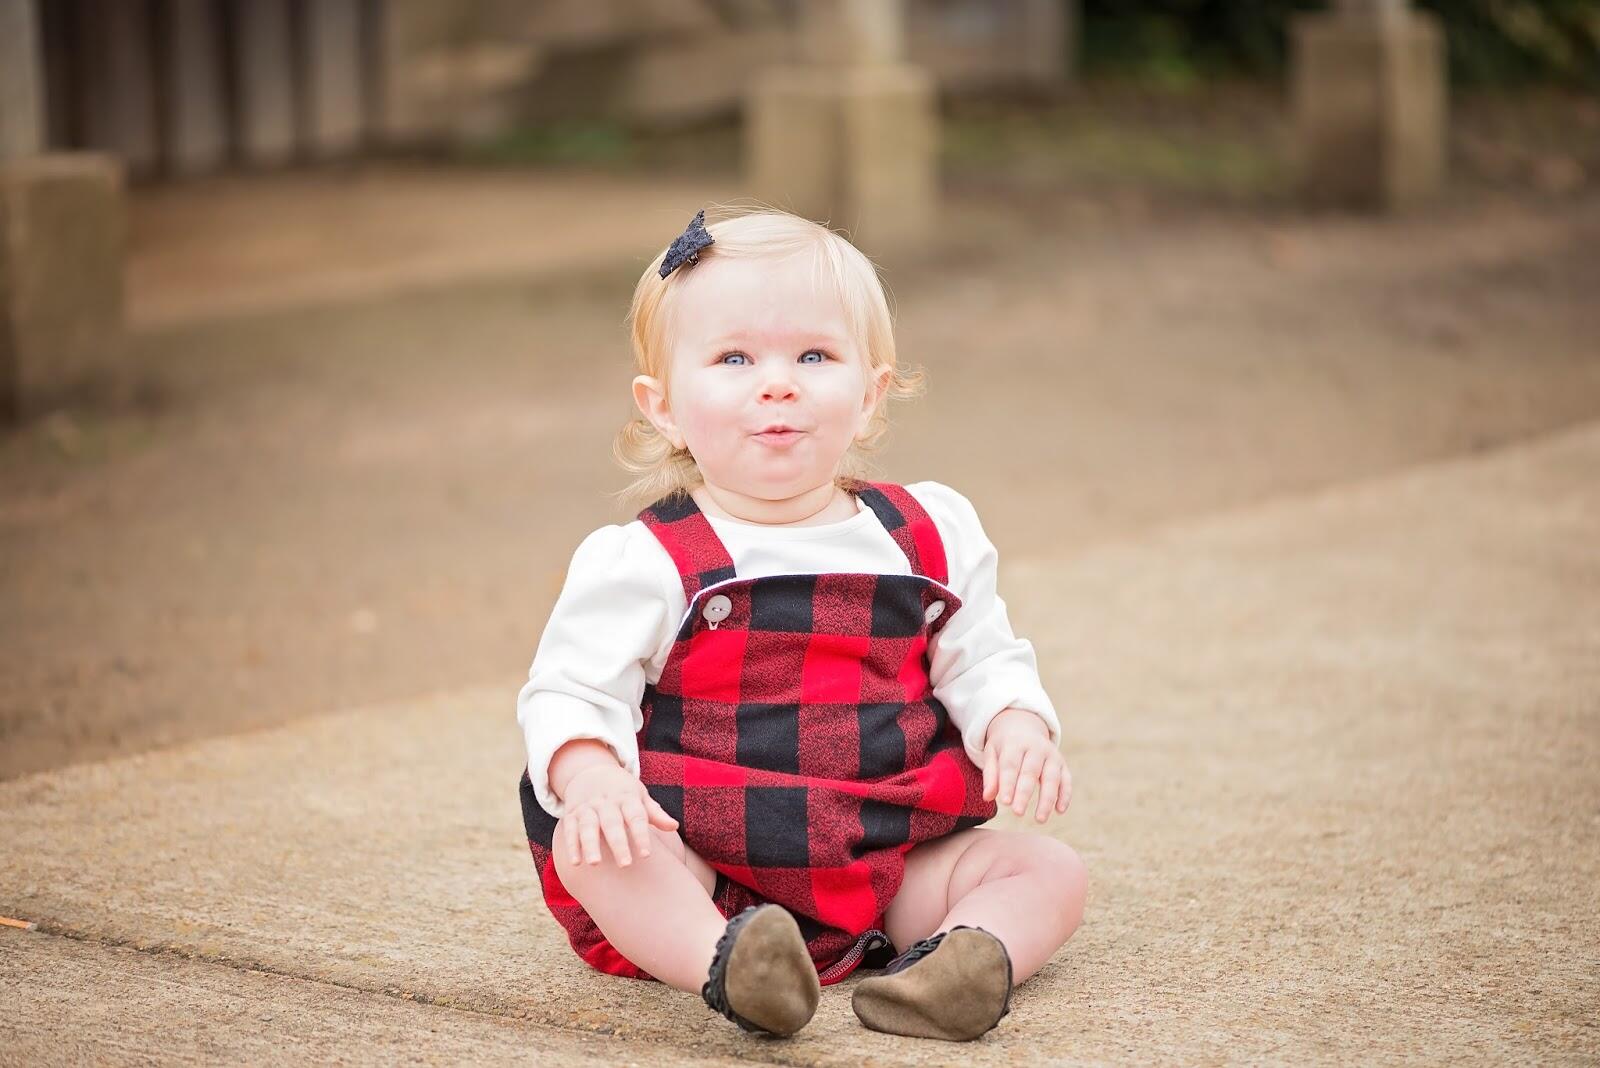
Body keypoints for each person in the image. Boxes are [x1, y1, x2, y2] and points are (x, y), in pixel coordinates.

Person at [516, 208, 1086, 1042]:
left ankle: (962, 960)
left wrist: (1016, 723)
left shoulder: (928, 531)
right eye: (734, 358)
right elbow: (568, 689)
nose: (777, 382)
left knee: (1049, 868)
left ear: (870, 395)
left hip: (884, 858)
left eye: (814, 356)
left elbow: (984, 656)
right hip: (707, 859)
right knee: (598, 849)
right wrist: (591, 776)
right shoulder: (643, 561)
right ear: (664, 406)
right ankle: (736, 967)